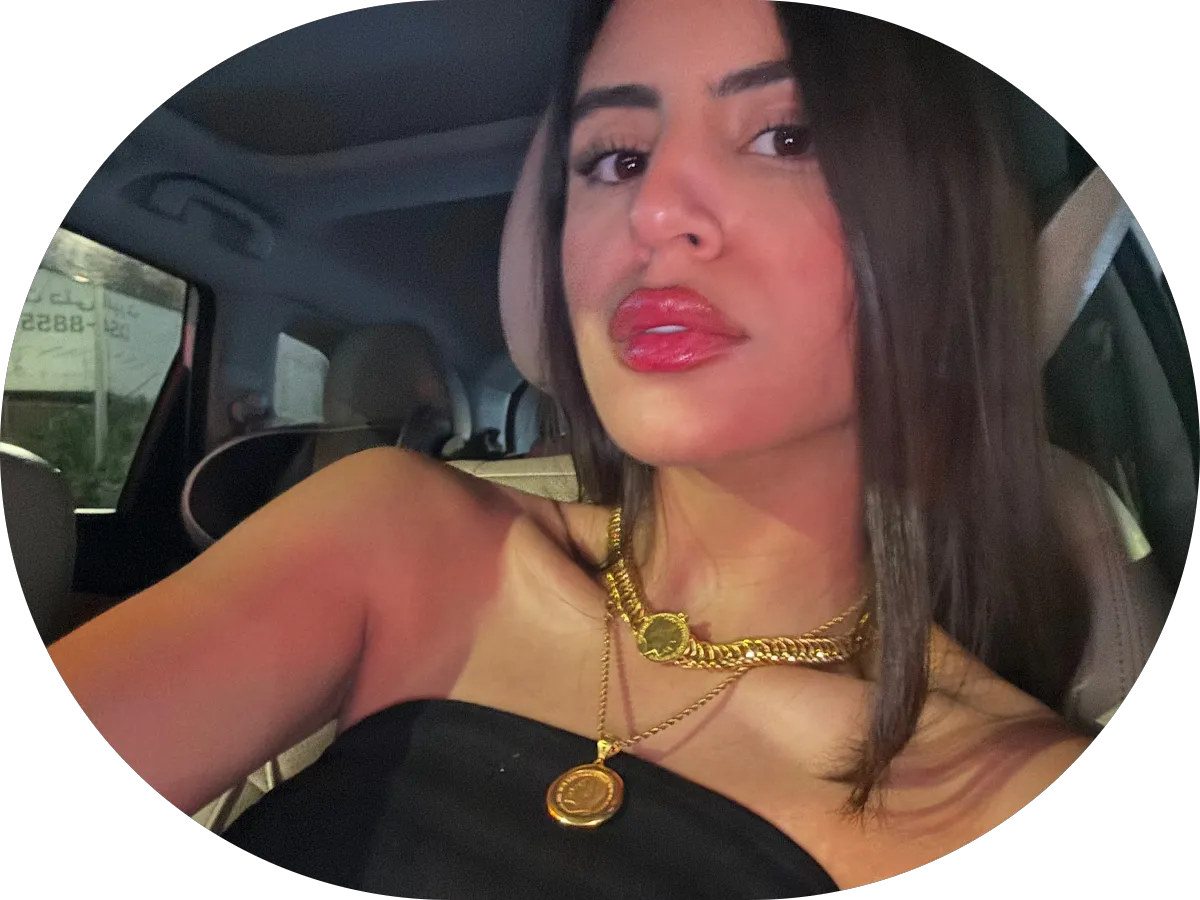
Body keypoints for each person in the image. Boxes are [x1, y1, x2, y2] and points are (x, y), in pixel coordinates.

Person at [47, 1, 1101, 894]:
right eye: (615, 158)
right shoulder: (396, 534)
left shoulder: (1000, 786)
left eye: (787, 136)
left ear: (944, 223)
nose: (653, 210)